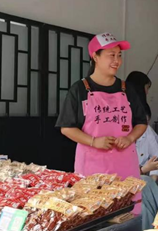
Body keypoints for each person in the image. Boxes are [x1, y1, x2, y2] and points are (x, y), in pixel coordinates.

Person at [56, 32, 148, 213]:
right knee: (93, 212)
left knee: (128, 212)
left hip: (125, 165)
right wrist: (93, 141)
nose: (117, 61)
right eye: (111, 55)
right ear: (95, 57)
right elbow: (67, 128)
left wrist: (130, 138)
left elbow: (141, 122)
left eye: (119, 55)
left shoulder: (127, 89)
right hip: (92, 166)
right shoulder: (80, 89)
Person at [126, 71, 158, 229]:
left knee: (146, 184)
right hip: (125, 188)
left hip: (144, 184)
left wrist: (152, 180)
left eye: (145, 124)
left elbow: (157, 154)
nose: (142, 129)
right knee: (143, 207)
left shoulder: (146, 131)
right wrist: (142, 170)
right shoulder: (119, 139)